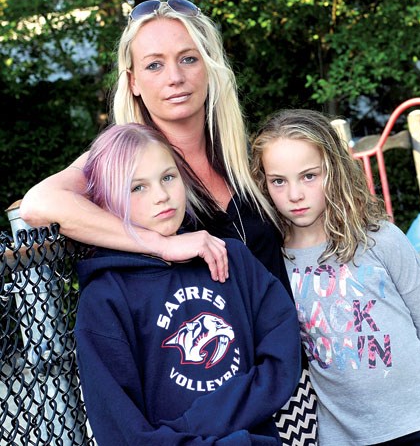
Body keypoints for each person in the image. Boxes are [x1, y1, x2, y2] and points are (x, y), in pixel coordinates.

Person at [20, 0, 317, 444]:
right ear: (133, 81)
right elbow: (39, 203)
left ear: (210, 66)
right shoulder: (125, 163)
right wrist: (158, 243)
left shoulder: (244, 156)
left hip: (288, 382)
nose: (175, 77)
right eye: (154, 65)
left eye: (188, 59)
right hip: (201, 416)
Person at [75, 122, 301, 445]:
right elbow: (122, 430)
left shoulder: (227, 255)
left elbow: (282, 345)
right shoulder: (105, 298)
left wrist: (199, 421)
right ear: (107, 201)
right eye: (137, 188)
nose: (162, 196)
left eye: (168, 177)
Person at [251, 109, 420, 446]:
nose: (295, 194)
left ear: (334, 170)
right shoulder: (273, 260)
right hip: (338, 433)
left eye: (309, 176)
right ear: (263, 182)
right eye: (279, 181)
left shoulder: (380, 239)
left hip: (410, 423)